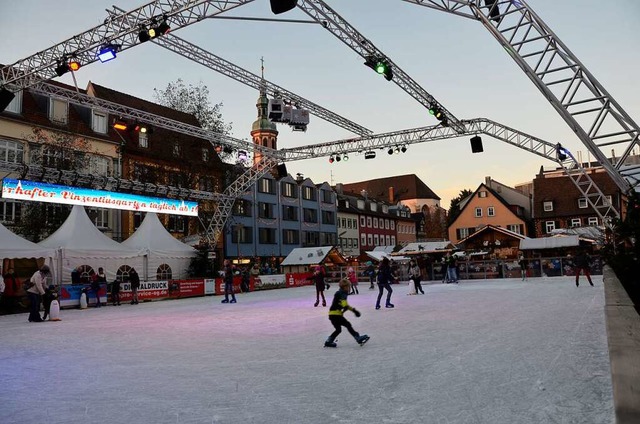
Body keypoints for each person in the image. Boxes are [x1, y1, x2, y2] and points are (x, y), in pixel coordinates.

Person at [324, 279, 369, 348]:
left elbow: (344, 305)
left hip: (332, 315)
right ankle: (357, 338)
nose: (349, 288)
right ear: (345, 287)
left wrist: (349, 309)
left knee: (338, 330)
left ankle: (328, 341)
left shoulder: (339, 292)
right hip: (336, 315)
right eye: (348, 287)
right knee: (348, 325)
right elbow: (345, 305)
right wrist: (354, 311)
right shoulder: (342, 293)